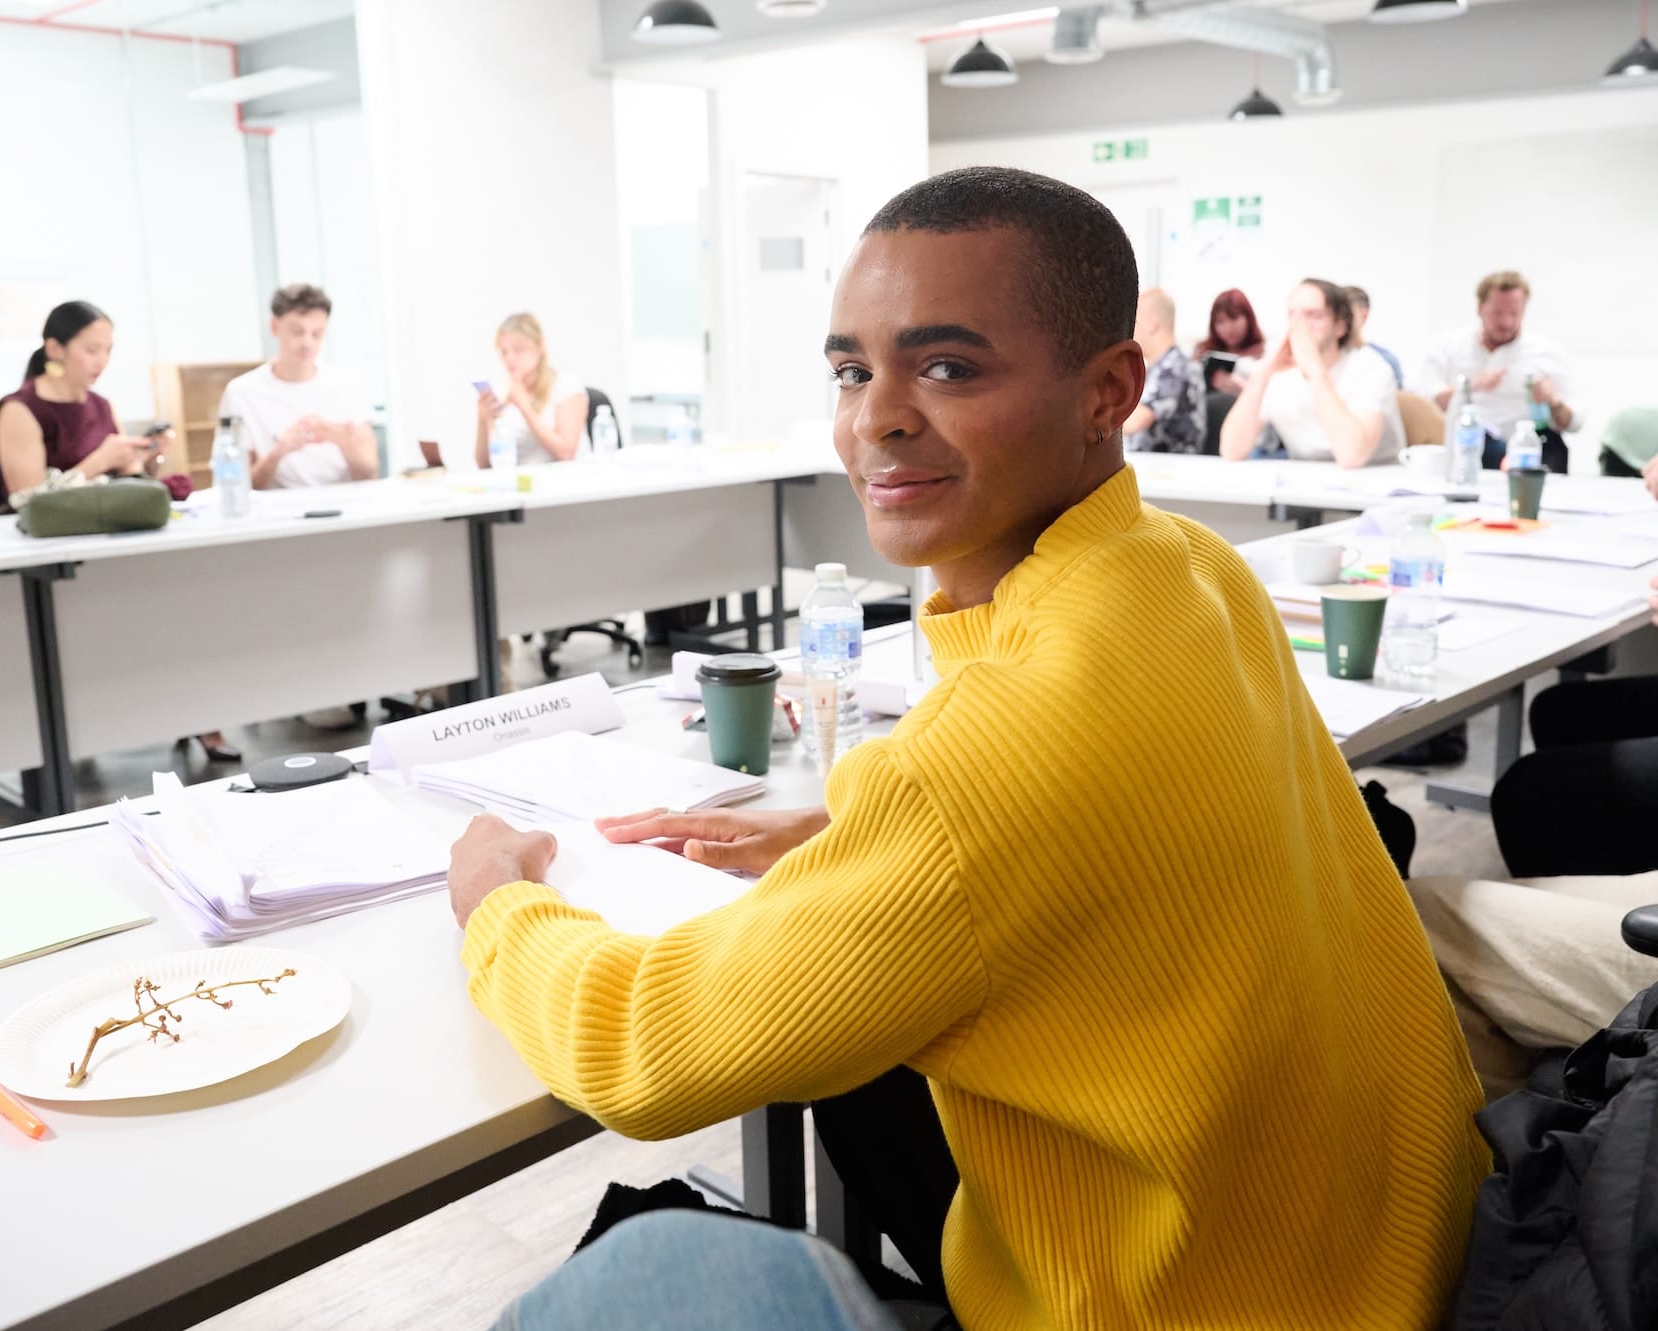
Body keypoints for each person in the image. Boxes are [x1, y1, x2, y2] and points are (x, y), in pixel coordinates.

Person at [450, 167, 1485, 1330]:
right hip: (1396, 1251)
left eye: (946, 366)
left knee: (644, 1271)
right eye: (852, 370)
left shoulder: (985, 761)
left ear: (1109, 390)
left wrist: (496, 906)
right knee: (856, 1073)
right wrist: (855, 831)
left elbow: (644, 1051)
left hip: (1196, 1301)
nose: (874, 416)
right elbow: (1108, 811)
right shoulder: (1188, 567)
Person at [0, 300, 172, 507]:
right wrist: (100, 461)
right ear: (55, 349)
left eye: (108, 351)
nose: (102, 361)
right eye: (92, 350)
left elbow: (125, 480)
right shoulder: (20, 410)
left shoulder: (102, 406)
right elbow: (29, 502)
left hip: (103, 525)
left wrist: (144, 459)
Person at [1219, 277, 1405, 467]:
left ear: (1340, 326)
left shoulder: (1371, 368)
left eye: (1314, 316)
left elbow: (1352, 456)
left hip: (1373, 484)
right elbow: (1232, 450)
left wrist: (1315, 370)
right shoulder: (1279, 375)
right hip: (1304, 485)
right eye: (1293, 315)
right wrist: (1263, 373)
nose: (1300, 326)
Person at [217, 283, 379, 489]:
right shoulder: (241, 393)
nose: (307, 343)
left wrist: (345, 444)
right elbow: (236, 487)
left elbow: (370, 475)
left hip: (345, 510)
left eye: (317, 333)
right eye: (297, 332)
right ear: (274, 327)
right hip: (277, 515)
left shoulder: (348, 385)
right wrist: (279, 452)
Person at [1419, 270, 1579, 471]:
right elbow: (1423, 404)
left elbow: (1575, 423)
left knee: (1549, 449)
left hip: (1530, 447)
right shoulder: (1447, 347)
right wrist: (1470, 386)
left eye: (1514, 314)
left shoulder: (1547, 353)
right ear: (1479, 308)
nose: (1506, 323)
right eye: (1497, 313)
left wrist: (1552, 399)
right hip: (1469, 444)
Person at [473, 313, 589, 468]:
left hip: (560, 483)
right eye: (504, 352)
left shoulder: (565, 384)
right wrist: (483, 419)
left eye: (518, 350)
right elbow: (484, 465)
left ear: (540, 346)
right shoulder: (503, 395)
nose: (509, 358)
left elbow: (566, 453)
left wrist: (524, 406)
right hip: (517, 484)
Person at [1121, 287, 1205, 453]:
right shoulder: (1160, 367)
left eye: (1134, 322)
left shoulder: (1175, 368)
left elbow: (1136, 421)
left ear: (1151, 323)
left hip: (1168, 471)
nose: (1129, 330)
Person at [1192, 287, 1264, 395]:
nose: (1228, 328)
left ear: (1248, 318)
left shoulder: (1265, 354)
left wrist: (1244, 389)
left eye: (1234, 318)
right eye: (1220, 322)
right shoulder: (1203, 352)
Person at [1343, 284, 1404, 387]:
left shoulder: (1385, 360)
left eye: (1347, 314)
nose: (1340, 320)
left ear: (1364, 316)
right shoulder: (1326, 359)